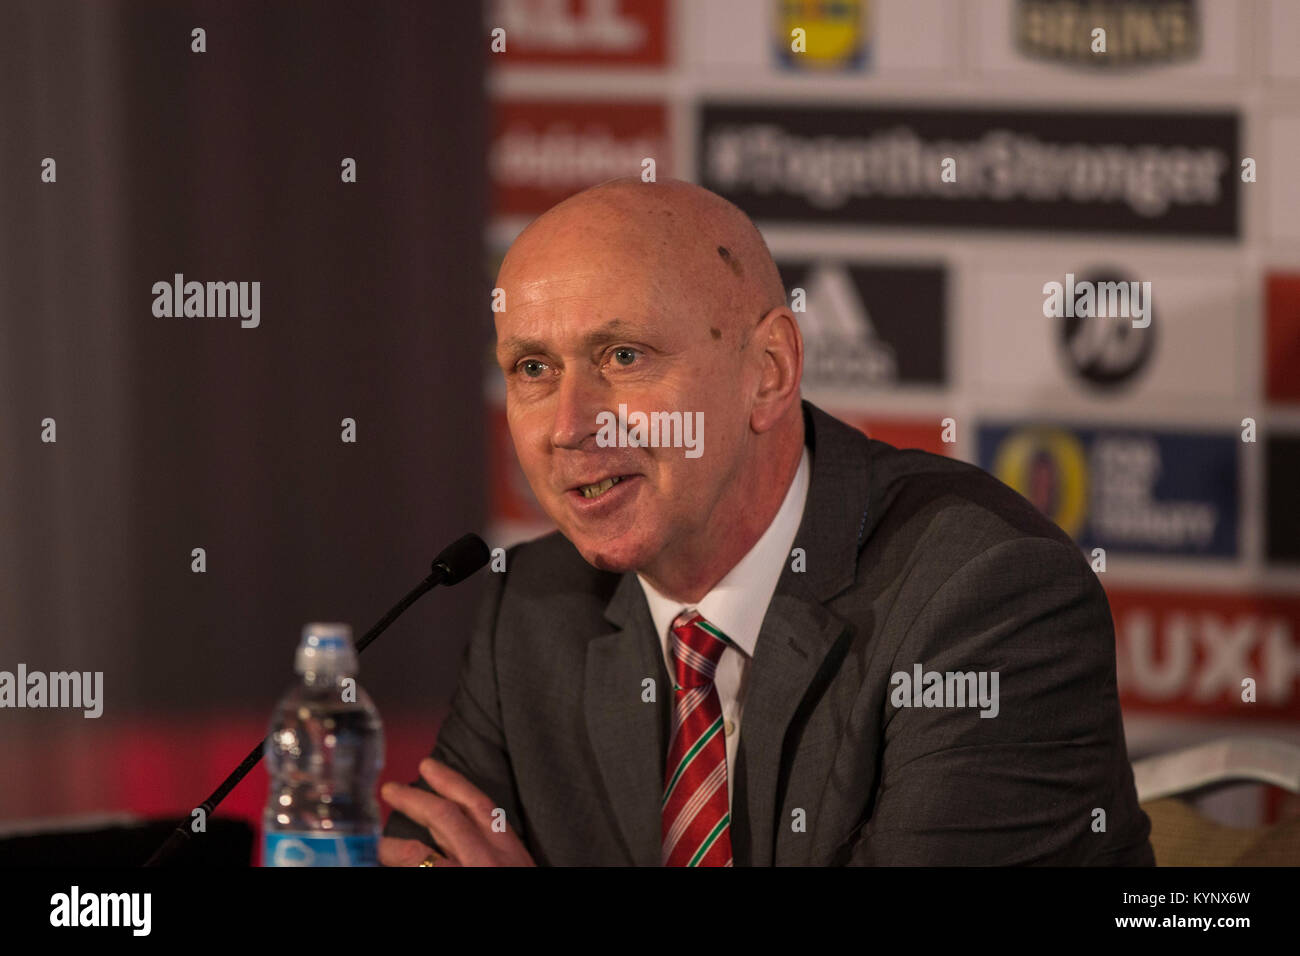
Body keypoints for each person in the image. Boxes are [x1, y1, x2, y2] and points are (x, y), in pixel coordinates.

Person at [379, 177, 1155, 866]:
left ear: (769, 371)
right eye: (534, 370)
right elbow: (424, 849)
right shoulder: (536, 607)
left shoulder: (985, 598)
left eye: (622, 357)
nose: (570, 425)